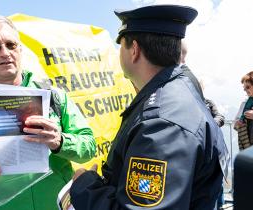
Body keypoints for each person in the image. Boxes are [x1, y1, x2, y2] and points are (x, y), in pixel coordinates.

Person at [70, 5, 229, 210]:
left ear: (134, 50)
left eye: (121, 46)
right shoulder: (181, 86)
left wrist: (84, 186)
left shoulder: (161, 125)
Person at [0, 15, 96, 210]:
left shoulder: (54, 96)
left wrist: (60, 142)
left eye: (11, 44)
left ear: (20, 49)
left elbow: (89, 146)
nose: (5, 52)